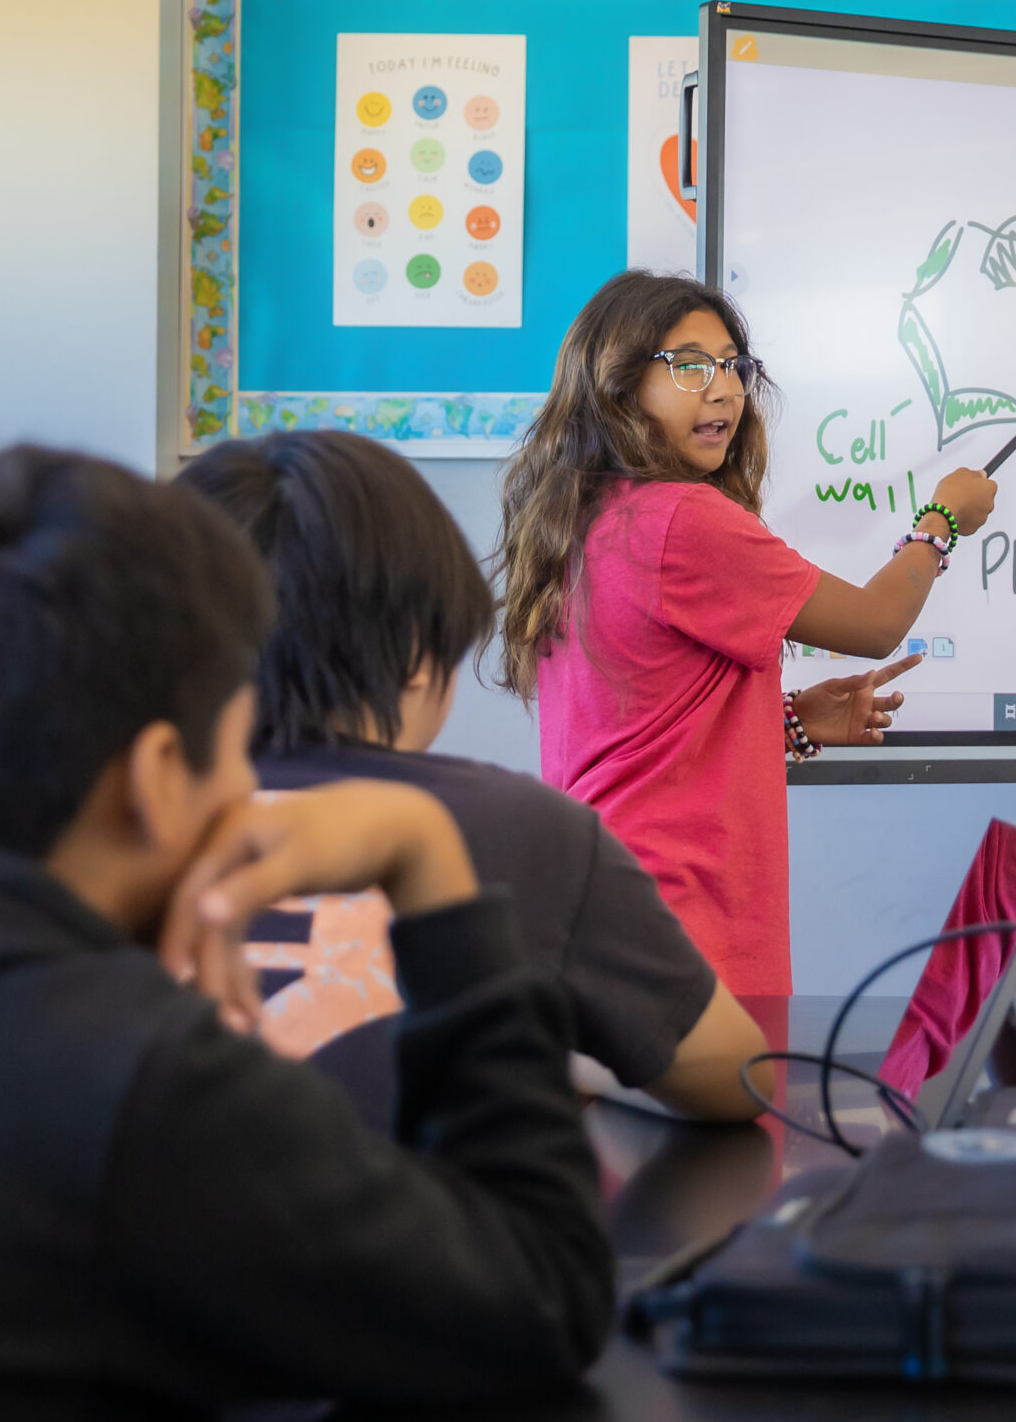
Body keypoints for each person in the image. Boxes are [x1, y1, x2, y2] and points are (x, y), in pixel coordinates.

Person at [0, 447, 609, 1422]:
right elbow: (544, 1291)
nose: (247, 789)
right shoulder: (136, 1087)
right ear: (159, 776)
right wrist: (426, 859)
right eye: (238, 748)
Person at [178, 428, 768, 1119]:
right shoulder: (527, 832)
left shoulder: (117, 826)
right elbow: (738, 1077)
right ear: (419, 653)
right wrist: (557, 1055)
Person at [494, 271, 998, 995]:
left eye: (733, 367)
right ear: (619, 386)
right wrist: (941, 520)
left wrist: (785, 722)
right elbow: (877, 623)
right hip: (677, 920)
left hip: (604, 911)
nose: (724, 391)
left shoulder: (589, 516)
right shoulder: (681, 519)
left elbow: (640, 731)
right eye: (689, 366)